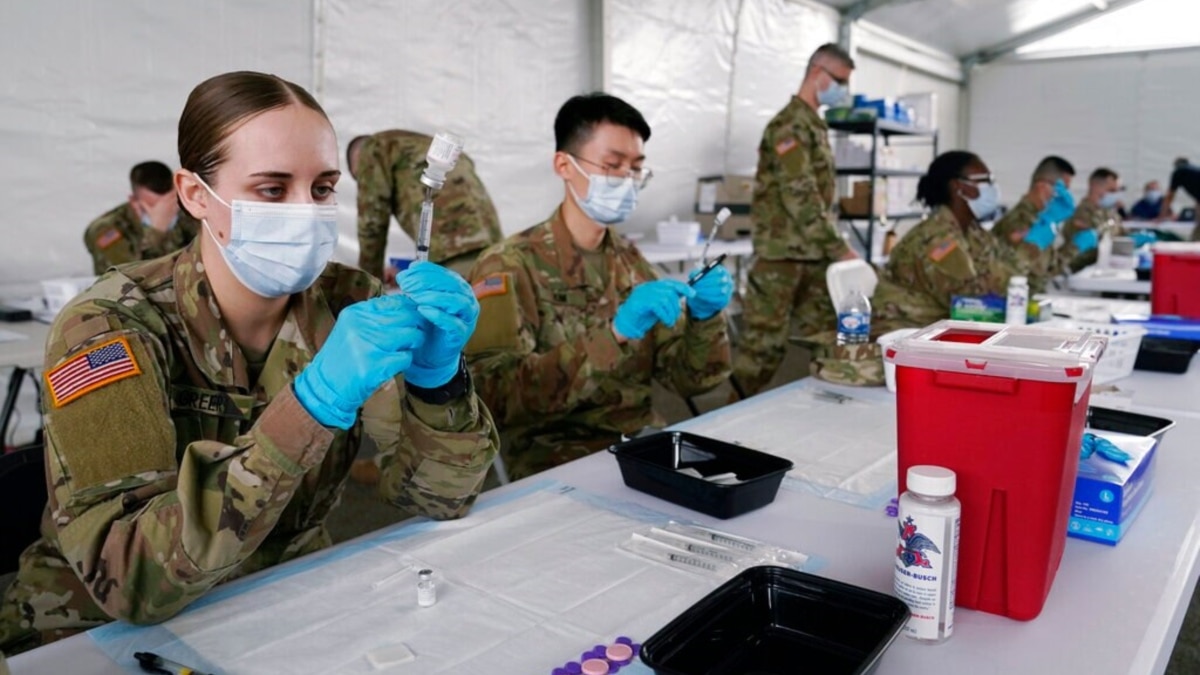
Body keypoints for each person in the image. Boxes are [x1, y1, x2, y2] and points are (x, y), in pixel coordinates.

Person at [0, 71, 498, 655]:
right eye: (271, 189)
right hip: (98, 635)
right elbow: (131, 577)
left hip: (283, 598)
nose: (307, 212)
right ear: (193, 195)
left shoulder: (349, 303)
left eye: (322, 189)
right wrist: (310, 407)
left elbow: (442, 497)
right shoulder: (110, 326)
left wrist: (436, 383)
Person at [464, 93, 732, 481]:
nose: (626, 180)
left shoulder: (632, 263)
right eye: (611, 165)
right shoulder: (508, 266)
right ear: (564, 165)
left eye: (636, 168)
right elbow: (496, 398)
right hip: (556, 457)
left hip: (639, 444)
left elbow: (687, 380)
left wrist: (705, 320)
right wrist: (615, 335)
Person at [731, 43, 858, 398]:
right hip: (781, 259)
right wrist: (840, 247)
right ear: (818, 73)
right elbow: (801, 196)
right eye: (840, 81)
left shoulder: (813, 125)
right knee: (762, 350)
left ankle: (826, 410)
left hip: (813, 256)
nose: (843, 91)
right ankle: (724, 421)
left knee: (827, 338)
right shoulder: (789, 125)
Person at [873, 151, 1023, 333]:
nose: (992, 188)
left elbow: (1010, 272)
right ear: (958, 187)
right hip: (907, 334)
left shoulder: (972, 231)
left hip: (939, 329)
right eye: (985, 180)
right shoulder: (937, 240)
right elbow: (971, 301)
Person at [348, 130, 503, 282]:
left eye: (360, 176)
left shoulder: (371, 148)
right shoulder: (417, 146)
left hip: (453, 247)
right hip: (493, 244)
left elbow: (371, 221)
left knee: (459, 304)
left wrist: (369, 283)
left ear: (358, 157)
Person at [83, 161, 201, 275]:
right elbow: (128, 276)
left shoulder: (185, 212)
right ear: (134, 201)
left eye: (169, 203)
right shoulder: (106, 229)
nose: (165, 211)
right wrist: (156, 232)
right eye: (153, 206)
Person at [991, 155, 1076, 293]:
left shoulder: (1041, 220)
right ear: (1042, 187)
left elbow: (1050, 268)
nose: (1066, 196)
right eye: (1062, 189)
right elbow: (1008, 276)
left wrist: (1075, 247)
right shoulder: (1019, 221)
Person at [1060, 168, 1124, 272]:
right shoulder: (1081, 214)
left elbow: (1120, 233)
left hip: (1104, 270)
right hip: (1080, 271)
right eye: (1112, 190)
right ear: (1095, 187)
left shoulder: (1108, 212)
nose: (1115, 195)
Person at [1158, 157, 1200, 240]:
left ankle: (1194, 242)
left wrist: (1161, 216)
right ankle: (1194, 241)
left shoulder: (1179, 172)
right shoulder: (1195, 170)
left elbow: (1170, 196)